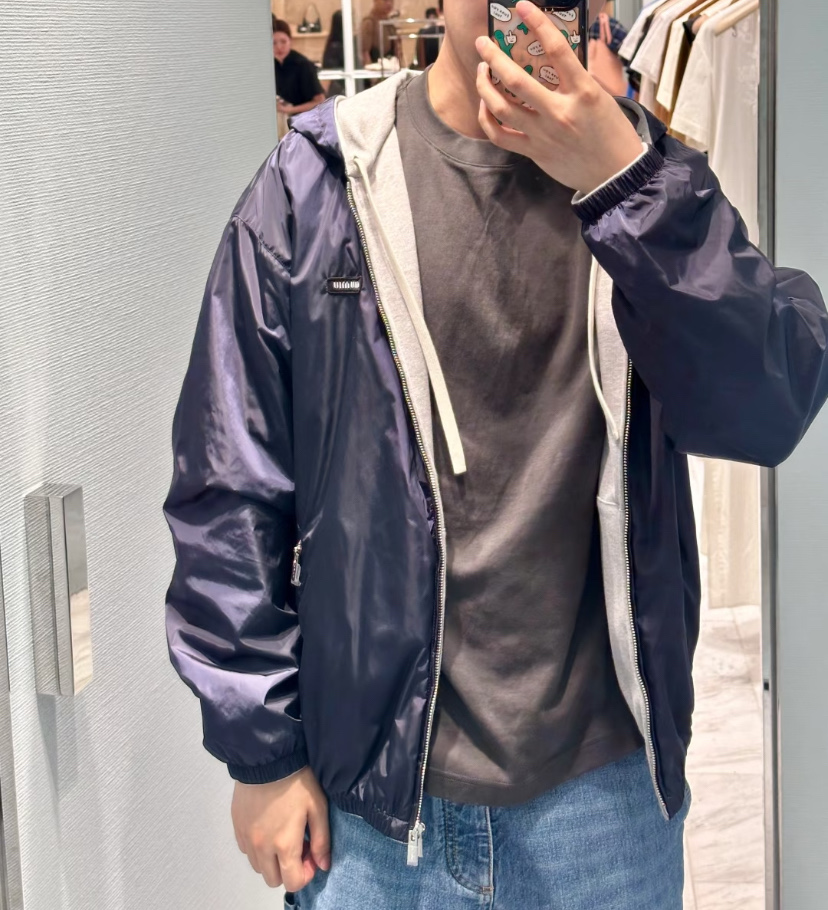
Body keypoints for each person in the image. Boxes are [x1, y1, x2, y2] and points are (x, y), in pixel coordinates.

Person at [164, 0, 828, 907]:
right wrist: (264, 755)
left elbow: (768, 406)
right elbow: (229, 479)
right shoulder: (320, 181)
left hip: (606, 803)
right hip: (376, 812)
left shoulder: (651, 179)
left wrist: (627, 187)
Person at [272, 16, 325, 117]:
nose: (279, 47)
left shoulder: (303, 65)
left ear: (290, 41)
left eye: (283, 42)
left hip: (309, 118)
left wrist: (289, 110)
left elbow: (320, 101)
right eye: (274, 43)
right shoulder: (272, 64)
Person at [360, 0, 403, 66]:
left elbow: (397, 52)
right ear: (376, 1)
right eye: (385, 1)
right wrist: (370, 70)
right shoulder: (369, 22)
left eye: (391, 1)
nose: (389, 4)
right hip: (375, 67)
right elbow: (365, 52)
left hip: (391, 67)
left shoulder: (389, 23)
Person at [417, 1, 444, 70]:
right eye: (430, 17)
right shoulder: (423, 31)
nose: (432, 20)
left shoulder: (440, 29)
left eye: (434, 17)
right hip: (429, 60)